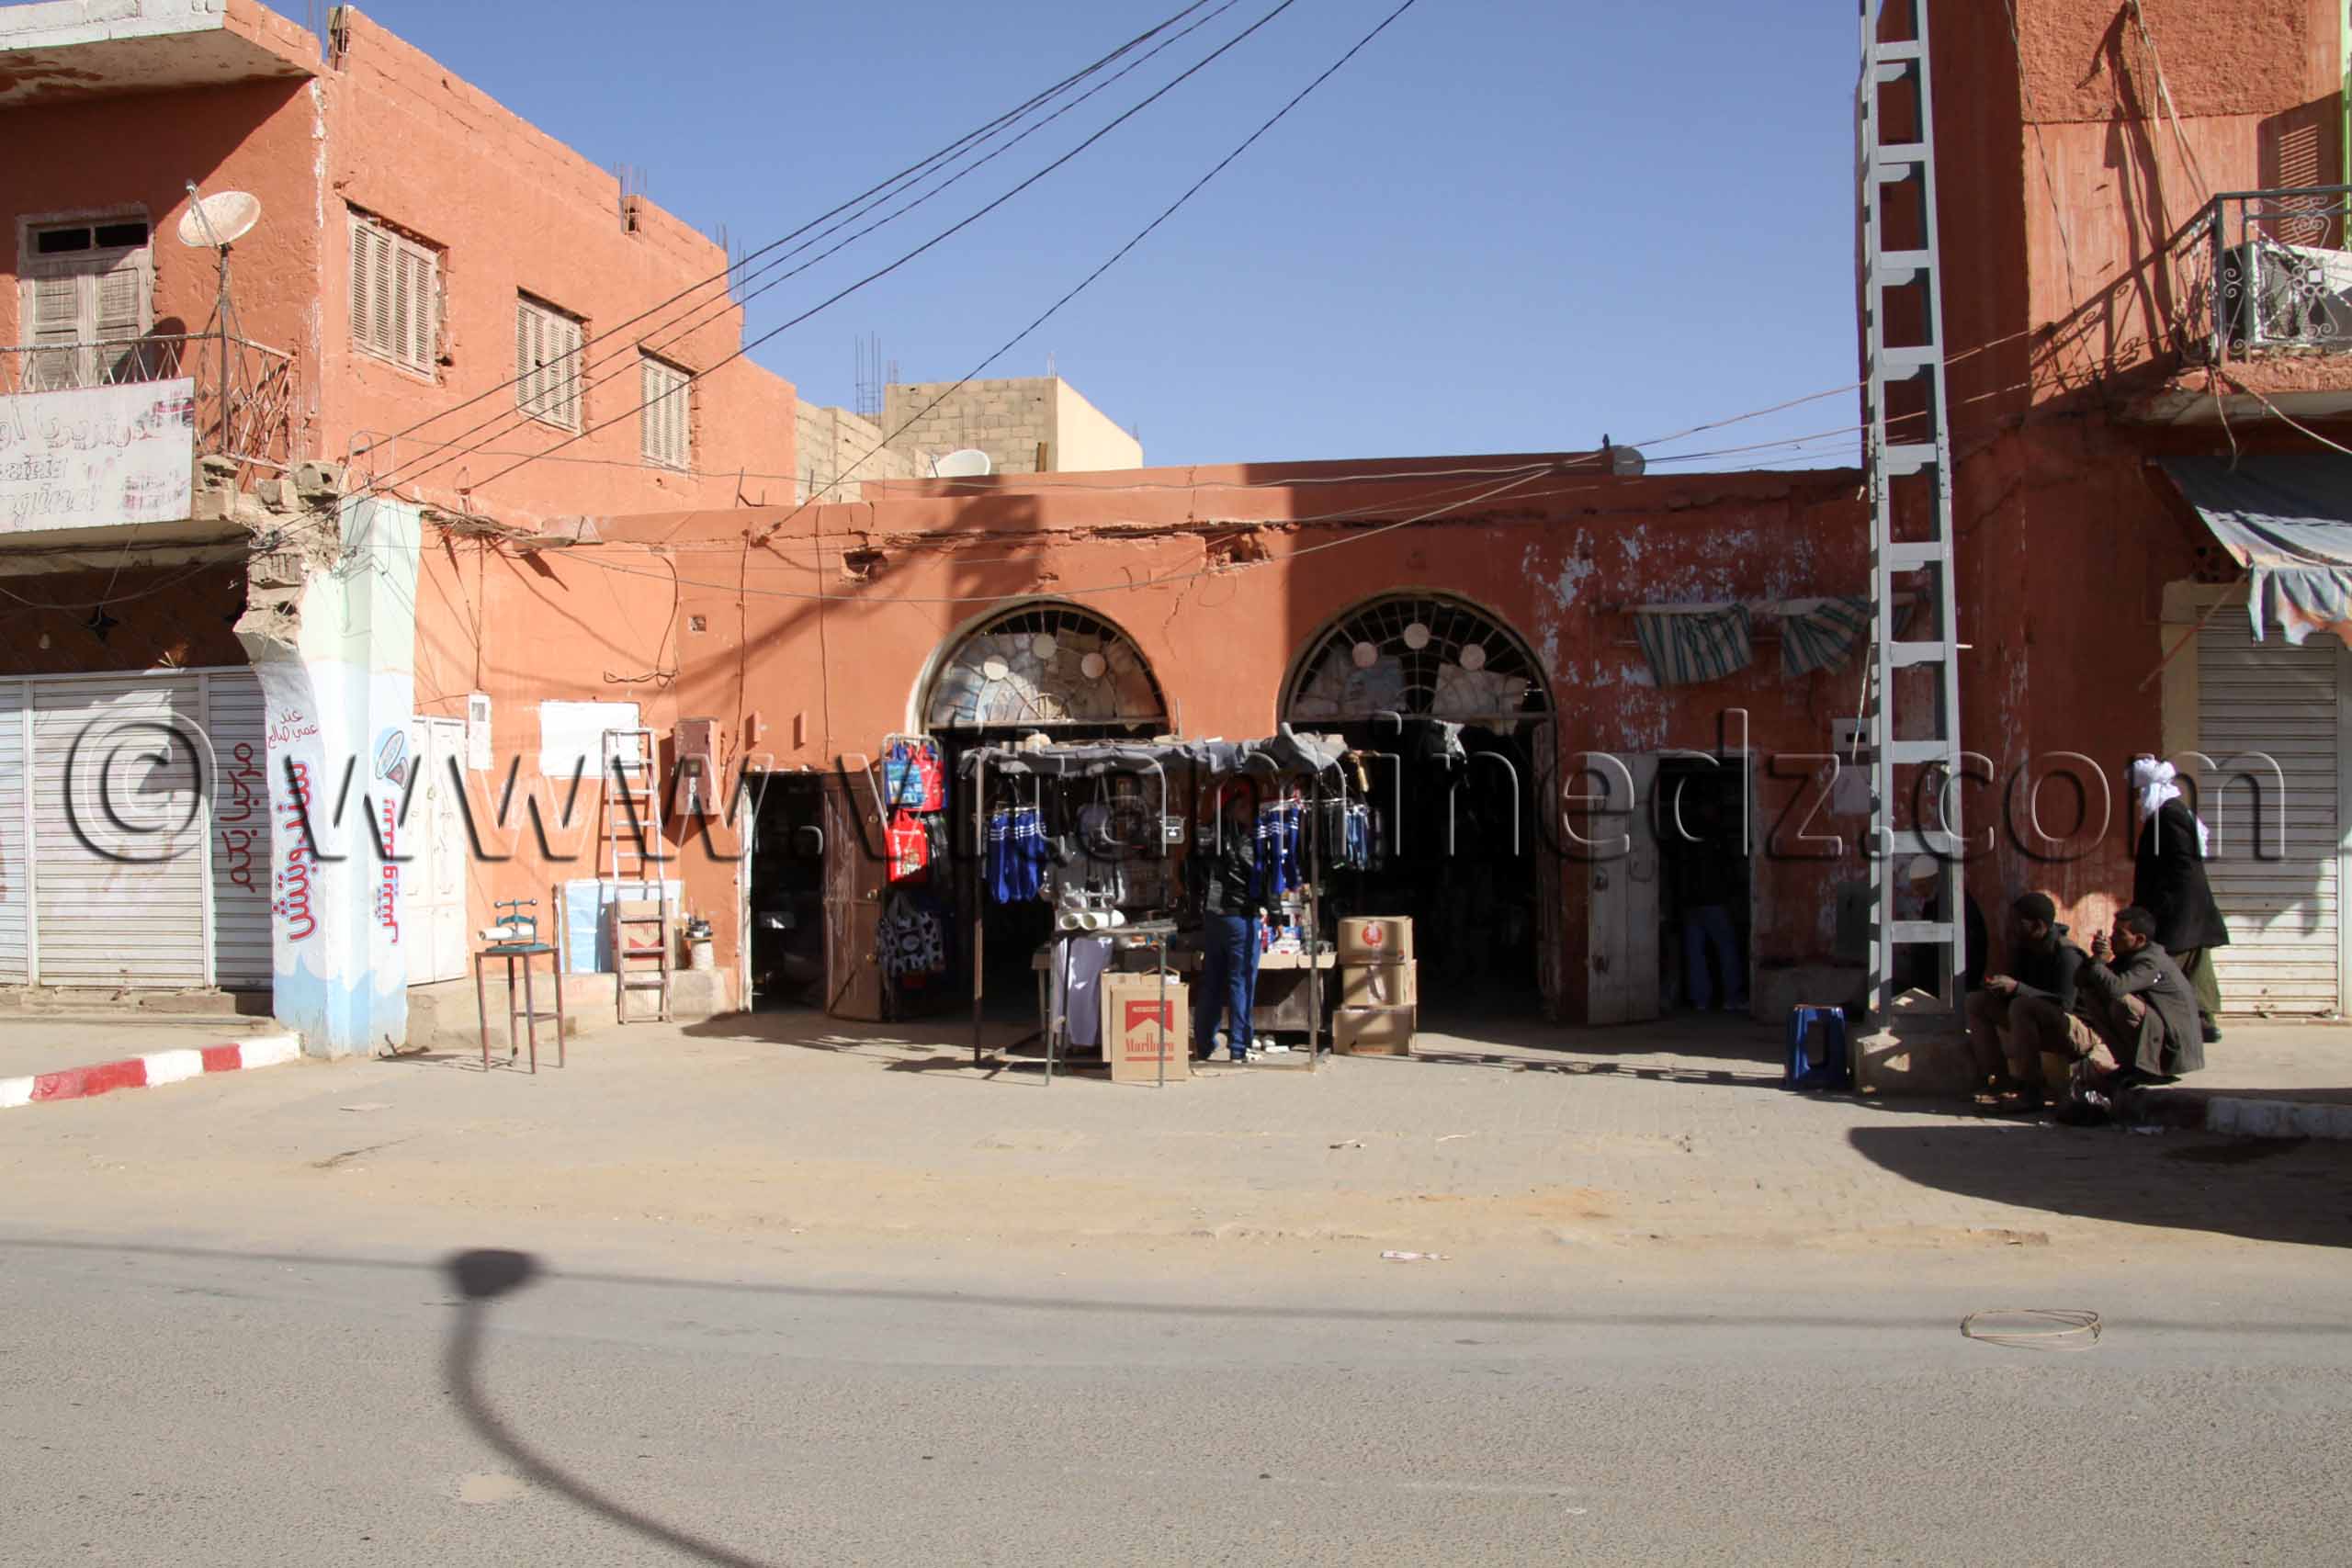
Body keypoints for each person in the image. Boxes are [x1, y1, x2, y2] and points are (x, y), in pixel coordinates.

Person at [2012, 906, 2204, 1098]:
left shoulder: (2150, 961)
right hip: (2157, 1030)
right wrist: (2095, 959)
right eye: (2113, 932)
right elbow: (2081, 983)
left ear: (2139, 939)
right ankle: (2129, 1065)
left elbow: (2116, 988)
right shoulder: (2129, 956)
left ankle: (2150, 1069)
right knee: (2094, 995)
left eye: (2120, 934)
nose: (2112, 938)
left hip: (2173, 1044)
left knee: (2120, 1003)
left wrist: (2098, 964)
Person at [2129, 757, 2228, 1044]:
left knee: (2164, 963)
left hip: (2180, 908)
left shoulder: (2168, 815)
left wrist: (2162, 905)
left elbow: (2180, 865)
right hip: (2188, 907)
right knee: (2196, 963)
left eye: (2139, 793)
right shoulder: (2174, 811)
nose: (2137, 800)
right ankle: (2202, 1020)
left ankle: (2172, 1022)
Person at [1966, 893, 2086, 1108]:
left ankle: (2032, 1089)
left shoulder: (2067, 954)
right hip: (2034, 1022)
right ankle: (1999, 1079)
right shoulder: (2025, 948)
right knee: (1977, 1002)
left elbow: (2066, 1004)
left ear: (2038, 926)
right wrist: (2001, 989)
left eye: (2018, 923)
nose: (2012, 928)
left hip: (2075, 1030)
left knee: (2022, 1006)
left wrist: (2018, 989)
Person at [1193, 787, 1261, 1063]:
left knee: (1211, 981)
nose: (1250, 813)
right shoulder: (1243, 839)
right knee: (1241, 980)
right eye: (1244, 807)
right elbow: (1254, 874)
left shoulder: (1205, 836)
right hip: (1239, 915)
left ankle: (1204, 1044)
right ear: (1231, 808)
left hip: (1213, 916)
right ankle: (1239, 1047)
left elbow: (1194, 873)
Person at [1670, 796, 1747, 1012]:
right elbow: (1725, 870)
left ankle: (1700, 1000)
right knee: (1726, 948)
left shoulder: (1685, 835)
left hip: (1690, 903)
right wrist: (1733, 893)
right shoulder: (1715, 835)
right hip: (1713, 901)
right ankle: (1732, 998)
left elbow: (1679, 869)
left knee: (1695, 953)